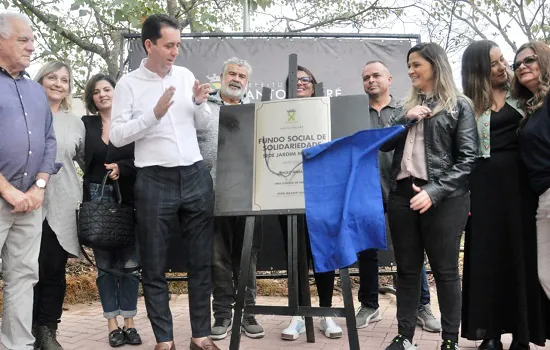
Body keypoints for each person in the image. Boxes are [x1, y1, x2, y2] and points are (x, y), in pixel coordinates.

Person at [110, 14, 218, 350]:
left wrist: (200, 102)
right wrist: (153, 114)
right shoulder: (128, 84)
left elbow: (201, 124)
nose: (175, 52)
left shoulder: (185, 76)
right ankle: (164, 340)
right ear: (149, 45)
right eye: (169, 45)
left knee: (201, 261)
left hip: (195, 175)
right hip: (154, 179)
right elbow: (116, 136)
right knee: (154, 265)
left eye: (178, 45)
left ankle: (200, 336)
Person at [381, 42, 477, 350]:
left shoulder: (459, 105)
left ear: (435, 65)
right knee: (407, 270)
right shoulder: (404, 107)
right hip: (401, 196)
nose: (410, 71)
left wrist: (433, 192)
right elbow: (383, 145)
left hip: (445, 198)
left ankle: (449, 340)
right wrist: (405, 119)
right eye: (408, 65)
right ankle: (404, 337)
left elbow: (467, 160)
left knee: (446, 271)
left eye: (416, 65)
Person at [461, 40, 550, 350]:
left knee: (522, 257)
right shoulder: (464, 105)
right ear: (478, 70)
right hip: (482, 190)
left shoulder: (524, 98)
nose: (503, 68)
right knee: (486, 259)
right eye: (495, 63)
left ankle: (523, 334)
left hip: (521, 189)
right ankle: (490, 333)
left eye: (503, 62)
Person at [355, 61, 441, 333]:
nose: (371, 80)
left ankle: (421, 306)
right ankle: (369, 306)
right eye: (366, 77)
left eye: (376, 75)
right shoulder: (356, 113)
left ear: (390, 79)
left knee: (413, 252)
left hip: (401, 189)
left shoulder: (407, 109)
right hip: (366, 190)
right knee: (366, 251)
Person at [0, 11, 61, 350]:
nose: (31, 47)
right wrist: (7, 190)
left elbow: (49, 141)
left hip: (29, 202)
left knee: (24, 277)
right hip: (4, 196)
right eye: (23, 39)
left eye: (32, 40)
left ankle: (17, 345)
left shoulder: (36, 92)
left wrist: (38, 186)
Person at [199, 57, 265, 341]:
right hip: (212, 193)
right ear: (221, 76)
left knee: (246, 257)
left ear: (247, 82)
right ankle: (223, 315)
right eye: (232, 74)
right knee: (217, 257)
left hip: (249, 194)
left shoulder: (257, 110)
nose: (236, 79)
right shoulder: (204, 108)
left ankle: (247, 313)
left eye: (242, 76)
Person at [279, 65, 343, 341]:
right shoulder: (277, 115)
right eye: (296, 80)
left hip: (323, 196)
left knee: (324, 256)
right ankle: (298, 314)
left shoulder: (326, 113)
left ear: (315, 85)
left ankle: (326, 312)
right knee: (295, 257)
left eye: (307, 79)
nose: (301, 83)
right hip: (285, 195)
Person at [82, 73, 142, 348]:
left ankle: (130, 323)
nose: (103, 94)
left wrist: (122, 168)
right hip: (97, 201)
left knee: (130, 266)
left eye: (107, 89)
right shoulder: (86, 124)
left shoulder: (130, 123)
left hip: (129, 200)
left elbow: (142, 157)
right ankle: (112, 325)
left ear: (117, 93)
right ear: (92, 98)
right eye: (97, 92)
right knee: (105, 268)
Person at [32, 61, 84, 350]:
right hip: (26, 204)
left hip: (62, 205)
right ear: (40, 81)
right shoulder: (26, 115)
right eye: (52, 77)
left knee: (53, 269)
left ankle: (47, 331)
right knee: (25, 269)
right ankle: (25, 327)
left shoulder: (74, 122)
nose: (58, 83)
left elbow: (88, 161)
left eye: (64, 79)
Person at [513, 42, 550, 305]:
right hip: (543, 198)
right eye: (517, 65)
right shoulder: (532, 107)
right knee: (546, 275)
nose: (521, 67)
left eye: (529, 60)